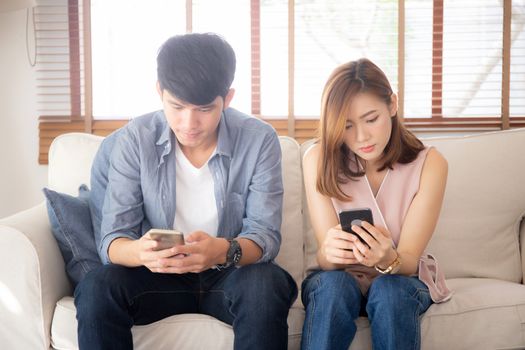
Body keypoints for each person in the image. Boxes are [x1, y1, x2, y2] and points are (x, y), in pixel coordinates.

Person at [75, 33, 298, 350]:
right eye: (176, 106)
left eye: (205, 109)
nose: (189, 123)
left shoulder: (259, 139)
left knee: (266, 284)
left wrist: (221, 250)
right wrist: (142, 252)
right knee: (97, 287)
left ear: (228, 98)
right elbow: (113, 240)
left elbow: (265, 237)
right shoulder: (134, 140)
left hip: (228, 274)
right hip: (156, 279)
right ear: (159, 92)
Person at [300, 58, 452, 350]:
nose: (361, 137)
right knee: (333, 287)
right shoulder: (318, 159)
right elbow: (326, 261)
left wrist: (387, 259)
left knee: (389, 290)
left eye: (371, 119)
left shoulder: (431, 164)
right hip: (340, 280)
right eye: (346, 126)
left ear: (392, 105)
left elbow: (407, 262)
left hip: (399, 280)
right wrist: (330, 252)